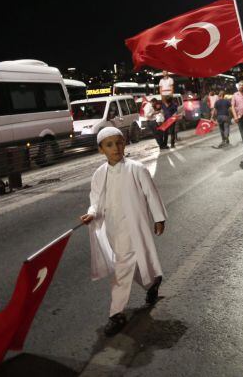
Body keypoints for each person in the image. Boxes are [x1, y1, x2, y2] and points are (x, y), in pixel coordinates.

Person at [79, 127, 167, 337]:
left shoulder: (137, 169)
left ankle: (116, 313)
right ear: (101, 150)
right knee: (130, 264)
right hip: (113, 229)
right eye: (109, 145)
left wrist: (159, 217)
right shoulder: (99, 174)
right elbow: (95, 201)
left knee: (122, 269)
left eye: (119, 143)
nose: (115, 148)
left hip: (134, 226)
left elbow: (151, 194)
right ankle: (152, 283)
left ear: (124, 144)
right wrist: (91, 214)